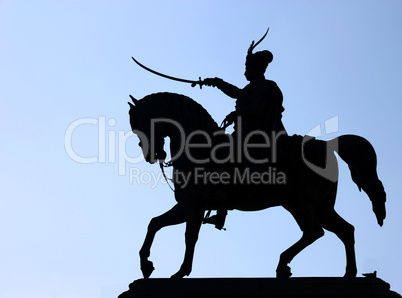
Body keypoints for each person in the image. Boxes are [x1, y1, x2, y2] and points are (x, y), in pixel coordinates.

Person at [201, 36, 288, 230]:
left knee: (224, 155)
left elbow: (258, 108)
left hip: (258, 135)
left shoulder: (267, 87)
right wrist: (216, 82)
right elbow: (236, 93)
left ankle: (223, 202)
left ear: (256, 69)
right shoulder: (252, 88)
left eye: (248, 68)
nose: (245, 72)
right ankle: (221, 210)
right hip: (245, 133)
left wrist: (237, 113)